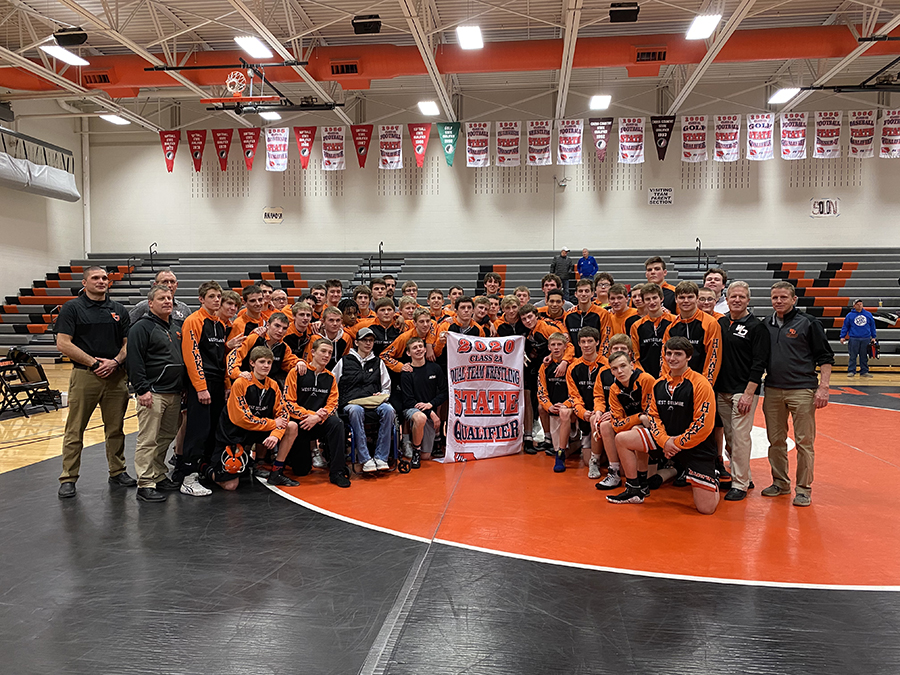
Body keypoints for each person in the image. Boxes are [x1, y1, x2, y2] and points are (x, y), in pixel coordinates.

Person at [607, 337, 719, 514]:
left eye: (678, 354)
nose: (672, 358)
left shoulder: (700, 384)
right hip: (665, 441)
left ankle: (714, 477)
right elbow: (653, 417)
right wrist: (665, 441)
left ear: (688, 357)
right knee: (622, 439)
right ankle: (634, 489)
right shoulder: (659, 384)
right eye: (669, 353)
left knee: (706, 509)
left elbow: (703, 425)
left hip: (696, 446)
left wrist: (676, 443)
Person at [55, 266, 133, 498]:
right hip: (85, 376)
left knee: (116, 428)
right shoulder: (72, 308)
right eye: (96, 278)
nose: (101, 281)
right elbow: (63, 343)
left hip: (116, 377)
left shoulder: (118, 309)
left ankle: (117, 471)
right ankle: (68, 477)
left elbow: (128, 343)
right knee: (75, 429)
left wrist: (116, 362)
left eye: (105, 278)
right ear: (84, 282)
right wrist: (95, 363)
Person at [762, 281, 834, 507]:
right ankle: (780, 482)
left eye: (783, 297)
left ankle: (803, 489)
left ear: (794, 299)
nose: (779, 301)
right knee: (775, 440)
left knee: (804, 442)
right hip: (772, 389)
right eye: (775, 298)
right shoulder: (766, 323)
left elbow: (825, 357)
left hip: (802, 389)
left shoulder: (809, 323)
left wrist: (824, 386)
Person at [206, 346, 299, 489]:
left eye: (269, 362)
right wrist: (273, 424)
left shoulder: (273, 385)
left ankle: (276, 472)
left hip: (257, 430)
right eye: (262, 362)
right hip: (234, 433)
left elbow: (283, 414)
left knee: (292, 427)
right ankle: (204, 467)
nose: (266, 366)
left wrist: (275, 434)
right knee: (230, 485)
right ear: (252, 363)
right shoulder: (241, 383)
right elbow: (242, 419)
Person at [126, 284, 185, 502]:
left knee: (166, 436)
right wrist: (141, 389)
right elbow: (134, 361)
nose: (167, 301)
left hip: (174, 392)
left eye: (169, 298)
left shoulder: (177, 327)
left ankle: (158, 475)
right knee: (148, 439)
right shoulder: (141, 328)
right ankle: (145, 483)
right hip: (152, 392)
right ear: (150, 303)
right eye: (162, 298)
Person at [715, 281, 769, 501]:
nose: (737, 300)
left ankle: (739, 484)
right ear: (726, 299)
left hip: (743, 390)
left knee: (740, 436)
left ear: (748, 300)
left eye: (741, 297)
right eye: (733, 296)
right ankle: (744, 476)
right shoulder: (721, 323)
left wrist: (749, 392)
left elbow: (759, 363)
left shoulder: (757, 326)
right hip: (722, 390)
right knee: (730, 437)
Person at [178, 281, 226, 497]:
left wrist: (225, 385)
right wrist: (200, 387)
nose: (217, 300)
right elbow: (192, 355)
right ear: (201, 299)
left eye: (219, 296)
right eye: (212, 296)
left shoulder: (220, 324)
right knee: (198, 430)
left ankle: (204, 470)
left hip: (216, 383)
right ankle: (187, 477)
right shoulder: (193, 321)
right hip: (202, 383)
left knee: (213, 429)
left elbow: (221, 358)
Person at [283, 338, 351, 488]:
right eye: (323, 351)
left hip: (319, 422)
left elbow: (333, 404)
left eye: (330, 353)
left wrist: (318, 417)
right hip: (300, 424)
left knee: (337, 423)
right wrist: (309, 415)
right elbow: (288, 402)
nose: (327, 355)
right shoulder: (297, 372)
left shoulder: (330, 377)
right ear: (313, 352)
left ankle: (337, 472)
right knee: (301, 471)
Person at [333, 327, 396, 472]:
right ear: (356, 342)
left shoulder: (378, 362)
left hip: (373, 402)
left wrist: (381, 394)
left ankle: (381, 457)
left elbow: (386, 387)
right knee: (355, 410)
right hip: (351, 403)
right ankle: (365, 458)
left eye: (371, 340)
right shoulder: (344, 361)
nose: (368, 343)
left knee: (389, 410)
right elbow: (333, 383)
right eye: (364, 340)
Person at [592, 334, 638, 490]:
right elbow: (599, 395)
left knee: (631, 470)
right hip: (615, 416)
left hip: (635, 420)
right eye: (615, 349)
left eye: (622, 349)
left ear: (630, 354)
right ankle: (613, 471)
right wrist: (598, 411)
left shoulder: (641, 375)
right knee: (603, 424)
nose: (618, 351)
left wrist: (615, 414)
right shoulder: (604, 372)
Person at [400, 337, 448, 468]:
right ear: (408, 353)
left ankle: (415, 441)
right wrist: (430, 411)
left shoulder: (435, 368)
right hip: (412, 409)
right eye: (414, 348)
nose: (419, 349)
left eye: (421, 346)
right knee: (420, 418)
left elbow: (444, 392)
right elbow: (409, 400)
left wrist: (431, 404)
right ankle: (415, 451)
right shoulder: (406, 373)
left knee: (426, 456)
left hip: (429, 407)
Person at [566, 327, 605, 478]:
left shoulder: (607, 365)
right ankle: (583, 450)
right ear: (579, 344)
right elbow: (573, 395)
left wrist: (598, 411)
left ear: (597, 342)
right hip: (584, 414)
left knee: (606, 461)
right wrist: (582, 412)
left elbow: (606, 395)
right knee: (587, 461)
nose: (587, 345)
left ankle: (598, 457)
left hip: (601, 412)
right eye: (583, 342)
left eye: (590, 341)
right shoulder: (573, 367)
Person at [226, 312, 299, 388]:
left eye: (284, 328)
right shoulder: (254, 338)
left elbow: (290, 361)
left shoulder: (284, 347)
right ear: (268, 324)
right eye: (277, 326)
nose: (280, 331)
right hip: (246, 383)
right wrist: (238, 373)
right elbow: (234, 356)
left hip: (268, 387)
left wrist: (299, 363)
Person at [537, 333, 575, 472]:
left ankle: (561, 453)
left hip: (570, 407)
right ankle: (552, 442)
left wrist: (567, 403)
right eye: (553, 345)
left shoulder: (573, 364)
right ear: (548, 347)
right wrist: (549, 406)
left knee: (564, 413)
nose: (556, 348)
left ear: (566, 347)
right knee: (541, 407)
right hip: (554, 406)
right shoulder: (545, 366)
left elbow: (577, 391)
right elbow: (541, 390)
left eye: (559, 344)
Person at [629, 283, 675, 379]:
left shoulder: (674, 321)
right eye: (647, 299)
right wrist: (643, 376)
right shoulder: (636, 326)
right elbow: (635, 356)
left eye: (654, 298)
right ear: (643, 301)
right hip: (645, 376)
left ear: (661, 298)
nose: (652, 302)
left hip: (670, 375)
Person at [564, 278, 612, 360]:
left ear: (592, 294)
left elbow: (606, 338)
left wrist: (600, 359)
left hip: (597, 360)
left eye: (587, 291)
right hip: (575, 361)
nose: (583, 294)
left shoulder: (602, 314)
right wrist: (569, 358)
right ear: (576, 294)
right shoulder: (569, 315)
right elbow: (568, 342)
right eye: (580, 291)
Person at [840, 298, 877, 378]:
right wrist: (842, 336)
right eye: (858, 304)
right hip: (854, 338)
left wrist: (874, 336)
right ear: (854, 306)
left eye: (861, 304)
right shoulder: (850, 315)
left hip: (865, 338)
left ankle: (864, 371)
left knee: (864, 356)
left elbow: (872, 326)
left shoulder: (868, 314)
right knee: (853, 355)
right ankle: (851, 371)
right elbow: (845, 326)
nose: (860, 305)